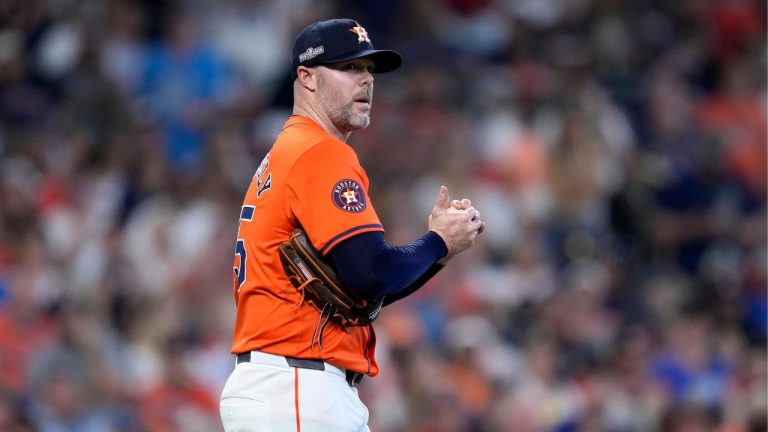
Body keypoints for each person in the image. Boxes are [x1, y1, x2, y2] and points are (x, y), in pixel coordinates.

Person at [219, 18, 485, 432]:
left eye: (369, 70)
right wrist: (436, 242)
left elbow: (363, 291)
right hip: (297, 387)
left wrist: (440, 250)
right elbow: (372, 273)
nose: (365, 81)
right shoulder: (320, 153)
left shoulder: (288, 152)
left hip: (284, 385)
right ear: (306, 78)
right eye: (348, 68)